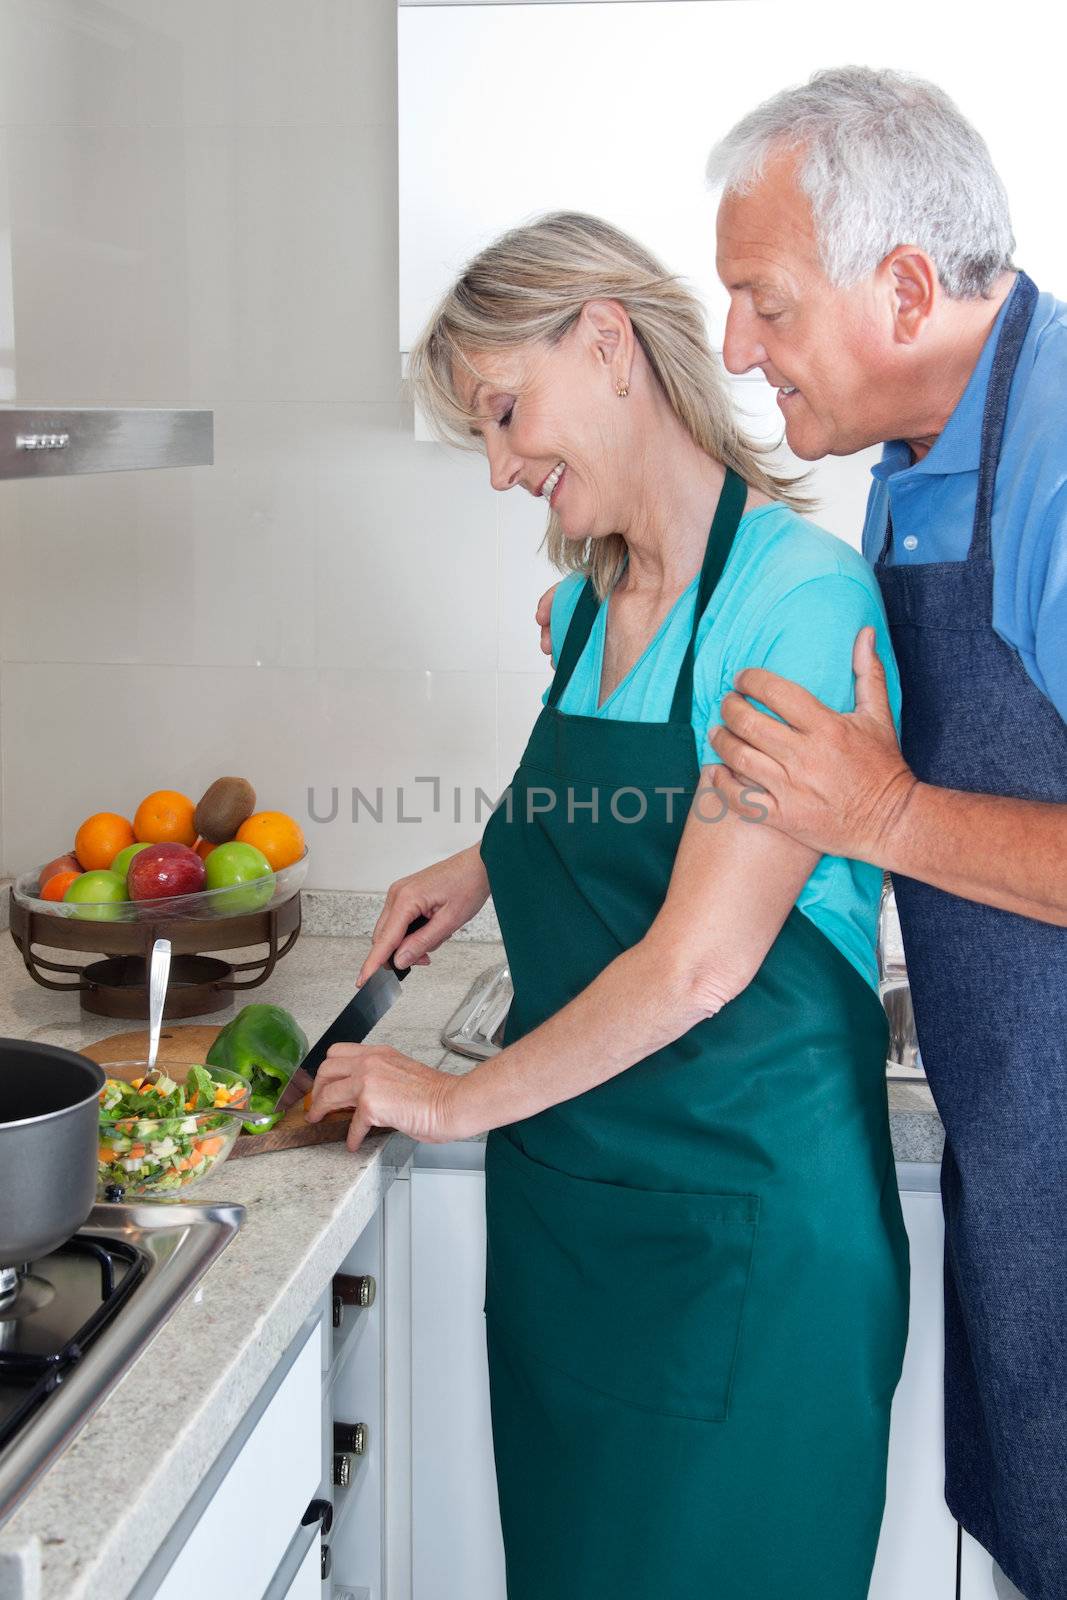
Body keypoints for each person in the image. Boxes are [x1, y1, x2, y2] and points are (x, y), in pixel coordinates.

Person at [307, 211, 909, 1599]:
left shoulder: (796, 600)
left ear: (606, 341)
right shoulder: (586, 606)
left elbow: (700, 959)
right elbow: (619, 808)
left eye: (509, 416)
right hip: (578, 1252)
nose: (507, 467)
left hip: (749, 1259)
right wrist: (480, 867)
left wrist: (450, 1099)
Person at [558, 66, 1067, 1600]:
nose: (733, 348)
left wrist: (894, 814)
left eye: (764, 302)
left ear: (904, 287)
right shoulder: (908, 471)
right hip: (1021, 1136)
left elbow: (884, 798)